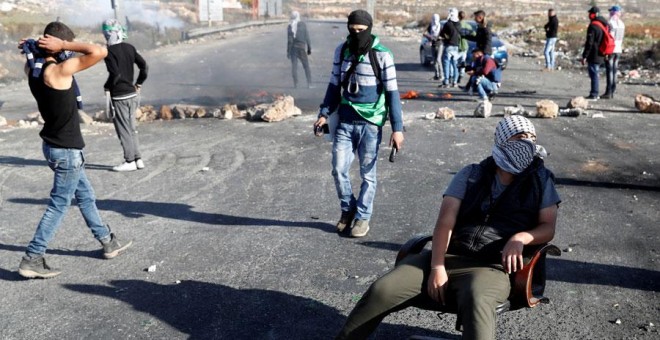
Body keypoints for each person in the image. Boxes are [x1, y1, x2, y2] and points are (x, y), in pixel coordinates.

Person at [336, 115, 560, 340]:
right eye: (521, 137)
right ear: (502, 139)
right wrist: (437, 267)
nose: (528, 143)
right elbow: (446, 221)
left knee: (478, 300)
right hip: (448, 256)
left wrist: (521, 237)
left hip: (491, 266)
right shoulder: (472, 174)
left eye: (532, 138)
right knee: (382, 290)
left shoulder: (540, 180)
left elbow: (547, 227)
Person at [17, 22, 132, 279]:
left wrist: (34, 46)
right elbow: (100, 51)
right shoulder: (59, 71)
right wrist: (64, 46)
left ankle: (107, 242)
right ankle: (32, 258)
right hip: (66, 150)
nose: (67, 51)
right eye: (64, 46)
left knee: (86, 196)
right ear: (56, 45)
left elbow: (32, 56)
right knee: (58, 205)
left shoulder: (33, 69)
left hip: (54, 146)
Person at [313, 10, 404, 238]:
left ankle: (362, 217)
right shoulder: (342, 51)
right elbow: (334, 86)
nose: (356, 34)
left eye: (360, 31)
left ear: (369, 29)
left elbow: (393, 94)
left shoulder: (382, 55)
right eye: (352, 30)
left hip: (371, 124)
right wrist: (324, 113)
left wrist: (397, 129)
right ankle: (347, 210)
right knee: (338, 169)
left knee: (368, 175)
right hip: (344, 121)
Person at [102, 18, 148, 172]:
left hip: (119, 96)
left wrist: (107, 86)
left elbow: (115, 74)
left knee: (123, 129)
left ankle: (129, 160)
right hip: (132, 94)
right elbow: (144, 67)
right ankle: (138, 159)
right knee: (132, 128)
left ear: (108, 34)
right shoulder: (130, 48)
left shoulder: (109, 53)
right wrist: (139, 83)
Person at [581, 6, 608, 100]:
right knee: (595, 73)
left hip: (594, 54)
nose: (589, 15)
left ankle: (594, 93)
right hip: (601, 52)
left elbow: (590, 43)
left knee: (594, 74)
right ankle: (595, 92)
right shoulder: (604, 24)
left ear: (594, 14)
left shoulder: (593, 26)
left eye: (591, 13)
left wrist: (585, 55)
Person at [603, 5, 625, 99]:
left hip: (611, 49)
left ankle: (609, 92)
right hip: (618, 49)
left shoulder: (610, 23)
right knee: (615, 71)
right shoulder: (621, 23)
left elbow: (607, 37)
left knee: (610, 71)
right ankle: (613, 90)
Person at [287, 11, 313, 88]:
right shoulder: (303, 24)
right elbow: (307, 36)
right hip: (301, 48)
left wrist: (288, 52)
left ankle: (296, 84)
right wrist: (309, 48)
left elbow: (290, 40)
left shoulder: (290, 26)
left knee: (294, 67)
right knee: (306, 66)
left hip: (293, 49)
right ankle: (309, 84)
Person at [439, 8, 461, 88]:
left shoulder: (447, 24)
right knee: (455, 65)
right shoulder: (459, 24)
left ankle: (446, 82)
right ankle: (455, 82)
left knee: (446, 64)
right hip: (456, 46)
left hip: (449, 46)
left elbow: (442, 34)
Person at [424, 13, 443, 81]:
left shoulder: (440, 27)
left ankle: (441, 75)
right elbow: (426, 33)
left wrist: (438, 38)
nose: (435, 20)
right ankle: (436, 75)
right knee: (434, 61)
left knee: (438, 60)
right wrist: (429, 37)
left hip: (439, 44)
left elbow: (442, 36)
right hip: (433, 44)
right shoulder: (431, 26)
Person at [456, 10, 472, 83]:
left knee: (455, 62)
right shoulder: (467, 25)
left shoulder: (456, 25)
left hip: (457, 46)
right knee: (463, 62)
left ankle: (455, 76)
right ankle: (461, 75)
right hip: (465, 46)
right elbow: (473, 33)